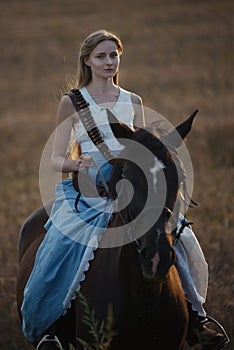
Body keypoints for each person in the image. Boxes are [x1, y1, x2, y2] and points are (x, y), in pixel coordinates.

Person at [21, 29, 227, 349]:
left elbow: (141, 149)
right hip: (92, 187)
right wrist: (77, 165)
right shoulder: (72, 101)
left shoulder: (133, 100)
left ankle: (196, 317)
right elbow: (55, 159)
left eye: (113, 55)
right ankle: (50, 326)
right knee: (59, 245)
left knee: (181, 236)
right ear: (87, 61)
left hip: (133, 183)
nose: (108, 62)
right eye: (101, 56)